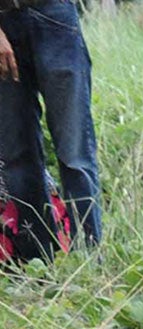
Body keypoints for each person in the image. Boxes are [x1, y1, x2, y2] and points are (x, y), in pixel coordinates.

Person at [0, 0, 101, 262]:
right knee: (18, 159)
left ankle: (89, 263)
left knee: (75, 152)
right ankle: (38, 267)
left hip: (55, 15)